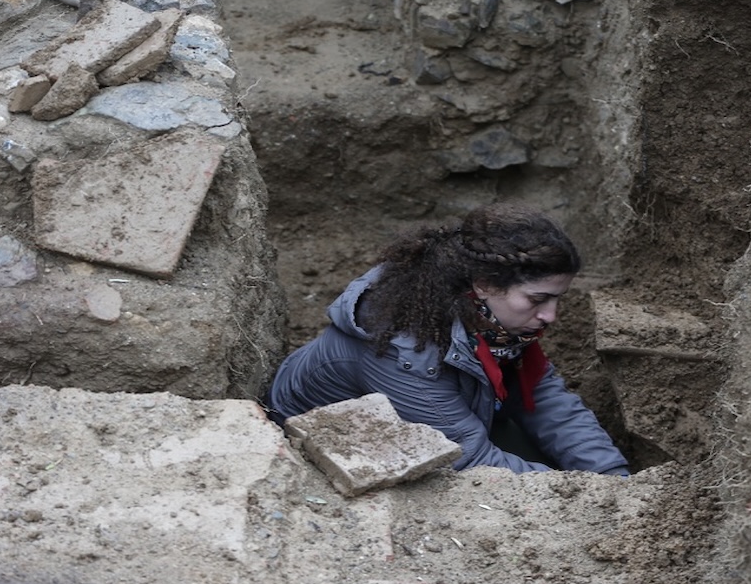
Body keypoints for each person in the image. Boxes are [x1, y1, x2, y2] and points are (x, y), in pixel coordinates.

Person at [265, 203, 630, 476]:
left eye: (557, 298)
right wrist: (590, 496)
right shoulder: (406, 353)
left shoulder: (489, 319)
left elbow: (545, 399)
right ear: (485, 284)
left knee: (544, 455)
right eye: (538, 300)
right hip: (330, 447)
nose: (551, 316)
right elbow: (471, 459)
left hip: (440, 410)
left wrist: (613, 477)